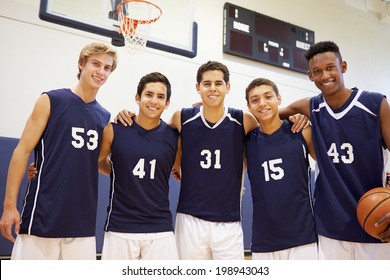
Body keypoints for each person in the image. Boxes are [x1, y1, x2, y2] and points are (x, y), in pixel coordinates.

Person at [0, 42, 118, 260]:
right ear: (81, 64)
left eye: (107, 67)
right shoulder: (51, 100)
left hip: (82, 220)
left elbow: (97, 162)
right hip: (43, 214)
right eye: (96, 64)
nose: (101, 71)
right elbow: (22, 151)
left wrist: (127, 171)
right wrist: (9, 207)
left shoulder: (104, 116)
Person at [279, 40, 390, 259]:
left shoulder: (375, 104)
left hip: (377, 220)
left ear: (343, 66)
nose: (325, 76)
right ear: (310, 75)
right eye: (317, 71)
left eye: (330, 68)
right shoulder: (310, 107)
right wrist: (210, 109)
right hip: (330, 225)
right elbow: (265, 116)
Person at [97, 72, 179, 260]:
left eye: (161, 97)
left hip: (160, 228)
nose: (154, 101)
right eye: (149, 94)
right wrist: (117, 172)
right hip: (120, 227)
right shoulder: (115, 129)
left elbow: (183, 171)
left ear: (167, 103)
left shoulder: (174, 137)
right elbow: (96, 161)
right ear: (137, 97)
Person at [244, 77, 318, 260]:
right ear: (249, 106)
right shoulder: (246, 141)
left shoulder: (302, 131)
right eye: (255, 100)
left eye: (268, 97)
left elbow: (332, 166)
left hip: (303, 238)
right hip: (264, 241)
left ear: (279, 98)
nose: (262, 103)